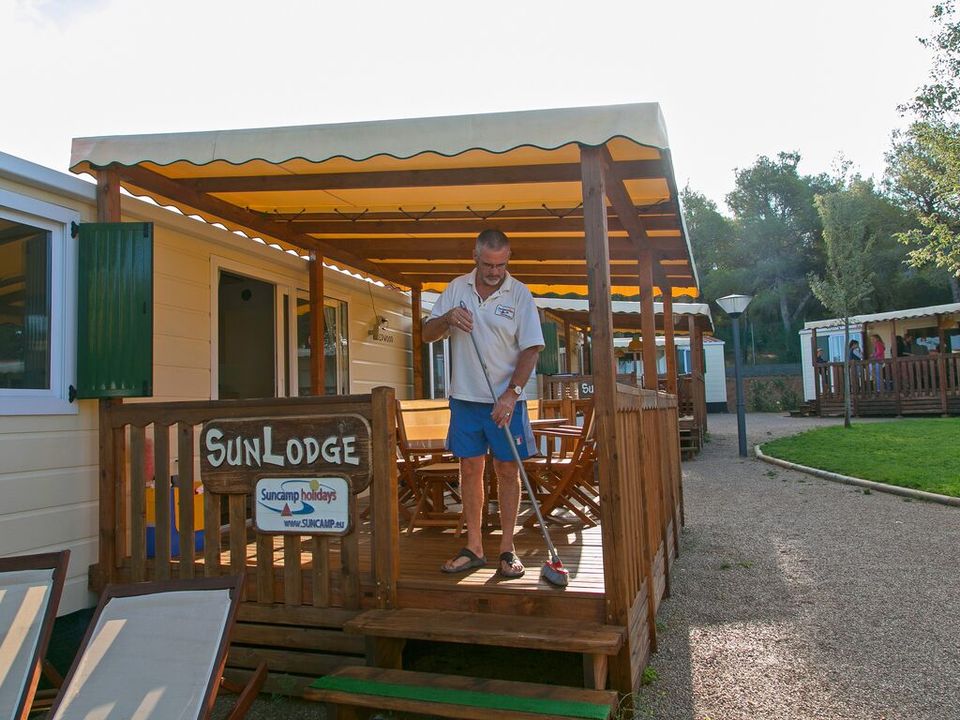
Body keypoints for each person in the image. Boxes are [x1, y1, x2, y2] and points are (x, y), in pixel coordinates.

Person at [422, 229, 545, 578]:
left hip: (506, 400)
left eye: (501, 265)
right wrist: (447, 319)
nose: (495, 272)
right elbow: (427, 334)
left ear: (508, 259)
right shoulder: (456, 288)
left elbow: (532, 349)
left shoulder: (519, 294)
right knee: (469, 470)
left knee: (507, 470)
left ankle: (507, 548)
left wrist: (512, 394)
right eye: (489, 265)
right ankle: (474, 547)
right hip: (465, 398)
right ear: (475, 256)